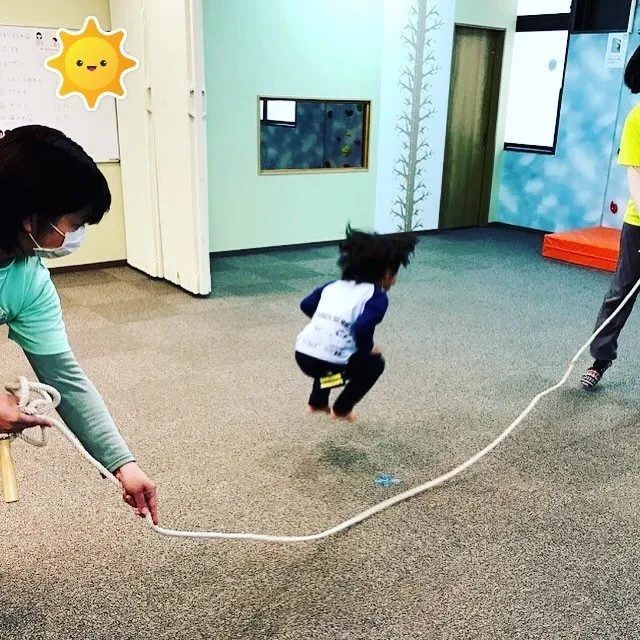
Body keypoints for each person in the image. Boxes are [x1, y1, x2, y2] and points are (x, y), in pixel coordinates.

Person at [0, 125, 158, 524]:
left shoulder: (27, 281)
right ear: (31, 219)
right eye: (73, 224)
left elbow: (65, 379)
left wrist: (123, 463)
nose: (76, 237)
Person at [295, 225, 417, 420]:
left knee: (330, 356)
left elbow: (306, 304)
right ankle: (342, 408)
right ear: (386, 273)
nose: (394, 281)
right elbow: (362, 327)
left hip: (303, 355)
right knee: (374, 365)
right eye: (395, 275)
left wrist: (327, 324)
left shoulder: (333, 285)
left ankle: (317, 401)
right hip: (331, 362)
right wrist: (367, 349)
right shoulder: (376, 297)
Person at [582, 47, 640, 390]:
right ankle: (600, 359)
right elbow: (636, 173)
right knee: (621, 292)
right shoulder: (637, 119)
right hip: (639, 224)